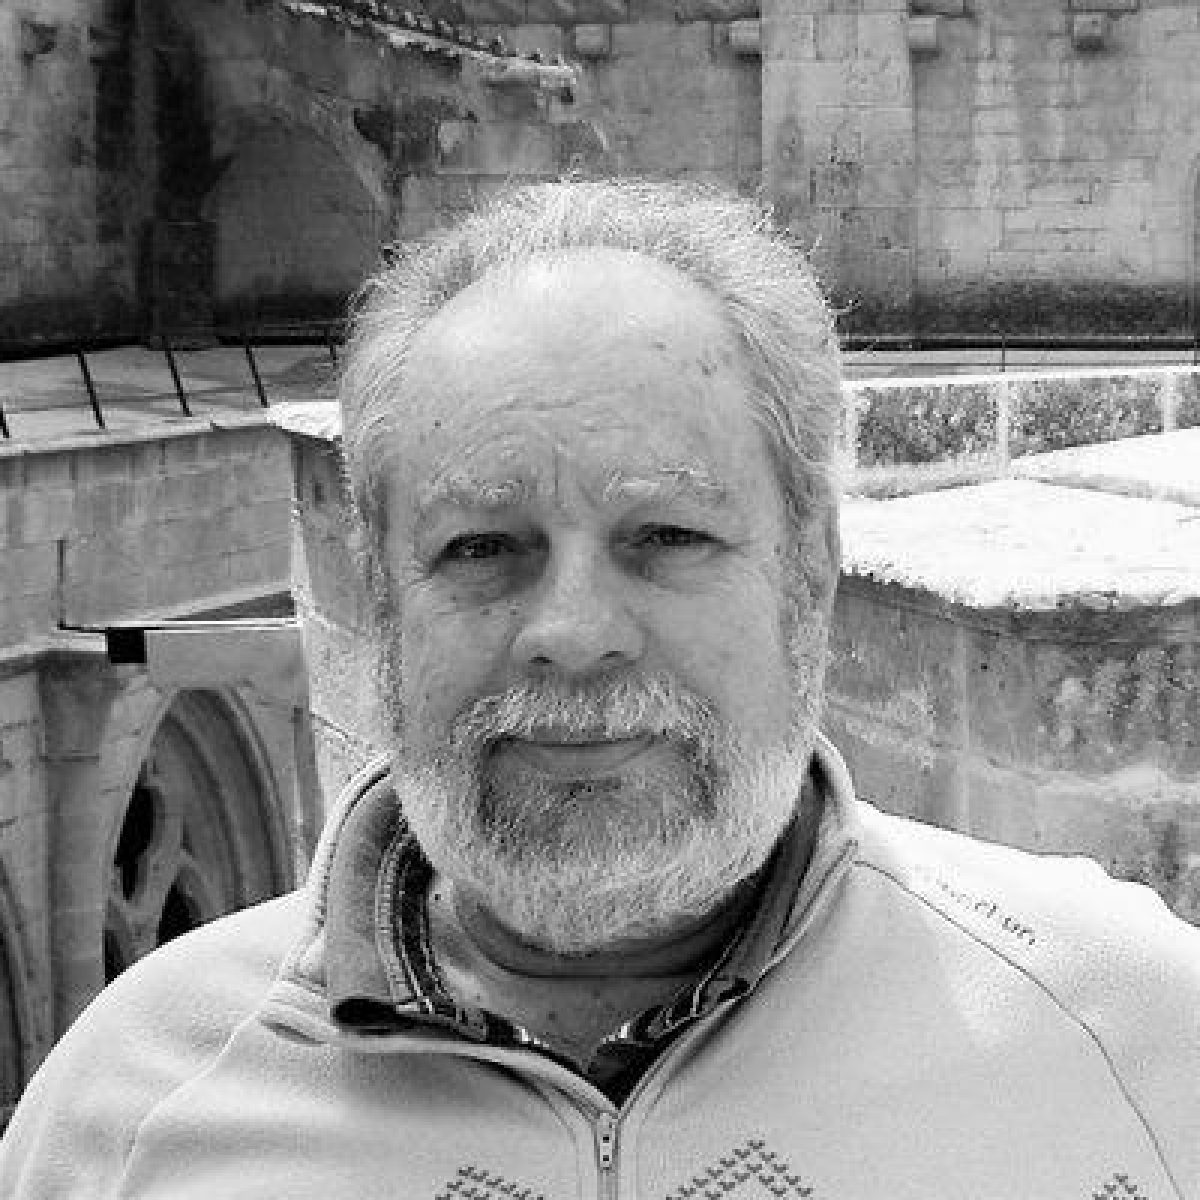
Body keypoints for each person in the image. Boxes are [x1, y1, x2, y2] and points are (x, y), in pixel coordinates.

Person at [2, 178, 1198, 1199]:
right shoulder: (124, 1113)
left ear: (811, 572)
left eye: (666, 534)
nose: (572, 635)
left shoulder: (1132, 1035)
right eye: (481, 547)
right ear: (379, 603)